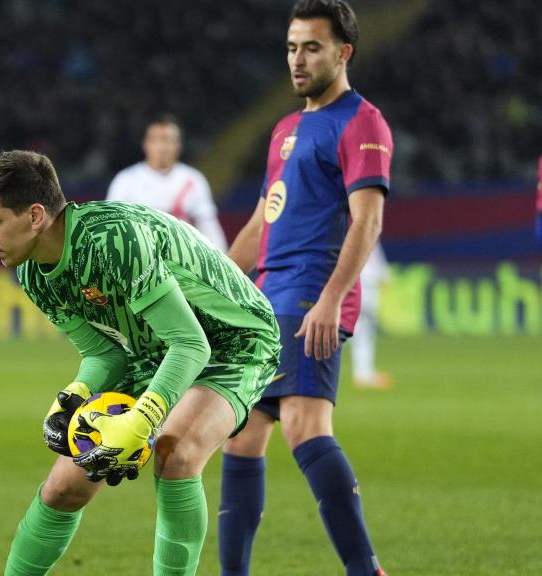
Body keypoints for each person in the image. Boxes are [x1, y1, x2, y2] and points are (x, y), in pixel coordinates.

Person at [0, 150, 281, 575]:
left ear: (35, 216)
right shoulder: (34, 272)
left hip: (234, 340)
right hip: (151, 350)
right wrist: (74, 395)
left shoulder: (114, 240)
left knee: (175, 454)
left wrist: (145, 417)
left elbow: (191, 344)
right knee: (62, 489)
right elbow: (104, 352)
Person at [217, 1, 391, 575]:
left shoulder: (361, 122)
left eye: (312, 48)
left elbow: (368, 219)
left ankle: (366, 569)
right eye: (292, 48)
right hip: (267, 297)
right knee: (241, 434)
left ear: (343, 53)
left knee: (304, 425)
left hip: (312, 291)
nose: (298, 59)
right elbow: (262, 221)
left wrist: (331, 299)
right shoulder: (286, 129)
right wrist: (214, 284)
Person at [106, 114, 228, 251]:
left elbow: (208, 225)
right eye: (156, 140)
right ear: (145, 144)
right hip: (139, 255)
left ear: (178, 145)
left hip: (182, 256)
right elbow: (110, 225)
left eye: (168, 140)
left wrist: (222, 258)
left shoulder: (193, 180)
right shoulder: (126, 180)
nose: (162, 148)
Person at [350, 242, 391, 389]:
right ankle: (363, 374)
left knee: (360, 335)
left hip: (358, 292)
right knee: (363, 336)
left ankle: (364, 373)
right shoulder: (370, 240)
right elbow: (383, 274)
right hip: (365, 293)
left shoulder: (352, 241)